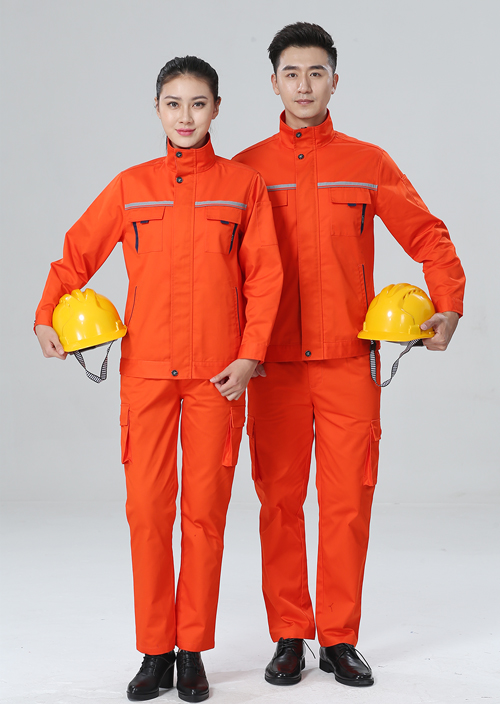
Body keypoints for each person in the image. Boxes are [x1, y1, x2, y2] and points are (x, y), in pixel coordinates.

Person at [35, 56, 283, 702]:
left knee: (204, 515)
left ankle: (191, 650)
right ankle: (153, 650)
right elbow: (76, 254)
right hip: (146, 374)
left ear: (217, 109)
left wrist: (251, 355)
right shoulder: (132, 186)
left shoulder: (243, 186)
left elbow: (266, 277)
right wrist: (45, 315)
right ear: (157, 110)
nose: (185, 116)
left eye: (198, 103)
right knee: (148, 513)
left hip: (217, 378)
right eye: (173, 103)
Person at [233, 22, 465, 688]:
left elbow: (428, 234)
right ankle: (288, 635)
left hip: (347, 363)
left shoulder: (368, 163)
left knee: (346, 503)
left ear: (335, 81)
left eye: (316, 72)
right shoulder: (246, 170)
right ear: (274, 82)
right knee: (279, 503)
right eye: (292, 73)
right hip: (273, 365)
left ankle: (338, 637)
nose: (304, 85)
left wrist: (448, 304)